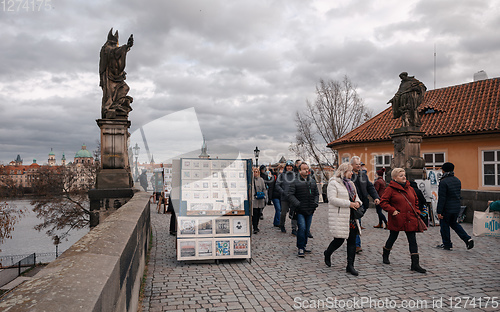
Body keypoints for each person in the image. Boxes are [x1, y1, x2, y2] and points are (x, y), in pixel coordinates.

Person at [380, 168, 426, 273]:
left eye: (404, 175)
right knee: (393, 237)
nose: (404, 177)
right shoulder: (390, 189)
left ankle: (415, 264)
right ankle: (385, 254)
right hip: (398, 218)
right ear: (395, 178)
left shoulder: (410, 188)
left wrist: (417, 211)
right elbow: (383, 202)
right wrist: (393, 211)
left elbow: (416, 201)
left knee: (412, 240)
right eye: (401, 176)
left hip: (410, 218)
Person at [323, 163, 363, 276]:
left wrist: (358, 203)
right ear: (344, 171)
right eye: (350, 171)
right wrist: (349, 204)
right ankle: (328, 253)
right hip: (340, 216)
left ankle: (350, 266)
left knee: (352, 241)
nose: (352, 173)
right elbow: (332, 199)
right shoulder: (333, 183)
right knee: (339, 240)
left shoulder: (351, 184)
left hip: (352, 217)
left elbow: (357, 197)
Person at [436, 162, 474, 250]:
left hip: (447, 208)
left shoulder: (443, 182)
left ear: (444, 170)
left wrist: (439, 211)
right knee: (454, 224)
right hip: (456, 207)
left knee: (444, 226)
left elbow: (442, 198)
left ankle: (447, 244)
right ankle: (467, 238)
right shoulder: (457, 180)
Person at [99, 28, 134, 119]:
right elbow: (114, 52)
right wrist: (125, 47)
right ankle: (111, 107)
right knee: (110, 94)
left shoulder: (112, 49)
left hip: (116, 76)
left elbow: (116, 52)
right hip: (109, 76)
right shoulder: (106, 49)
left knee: (125, 88)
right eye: (114, 44)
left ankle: (117, 105)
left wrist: (126, 47)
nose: (115, 46)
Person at [287, 162, 319, 257]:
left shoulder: (312, 181)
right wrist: (298, 204)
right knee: (302, 228)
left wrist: (315, 203)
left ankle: (304, 245)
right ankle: (300, 247)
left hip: (310, 209)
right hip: (300, 209)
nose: (306, 170)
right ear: (299, 170)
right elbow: (290, 195)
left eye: (307, 168)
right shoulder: (295, 181)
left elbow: (316, 194)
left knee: (307, 229)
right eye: (304, 169)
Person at [351, 156, 380, 252]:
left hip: (363, 203)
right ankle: (357, 245)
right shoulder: (348, 175)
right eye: (357, 164)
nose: (359, 166)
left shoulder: (363, 175)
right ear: (351, 165)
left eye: (360, 164)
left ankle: (351, 241)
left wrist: (376, 197)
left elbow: (370, 187)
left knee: (355, 223)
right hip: (353, 203)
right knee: (356, 222)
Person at [276, 161, 298, 234]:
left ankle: (294, 228)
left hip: (293, 197)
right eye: (288, 166)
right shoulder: (282, 175)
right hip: (284, 197)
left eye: (290, 166)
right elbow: (277, 185)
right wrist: (282, 192)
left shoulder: (296, 175)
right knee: (283, 213)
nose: (289, 167)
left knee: (294, 213)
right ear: (286, 167)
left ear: (292, 167)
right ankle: (282, 225)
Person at [252, 167, 267, 234]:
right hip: (253, 200)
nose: (255, 173)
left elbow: (264, 188)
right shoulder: (251, 180)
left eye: (256, 172)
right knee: (254, 214)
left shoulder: (261, 180)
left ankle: (256, 226)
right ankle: (254, 227)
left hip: (260, 199)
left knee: (258, 214)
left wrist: (265, 196)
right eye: (254, 172)